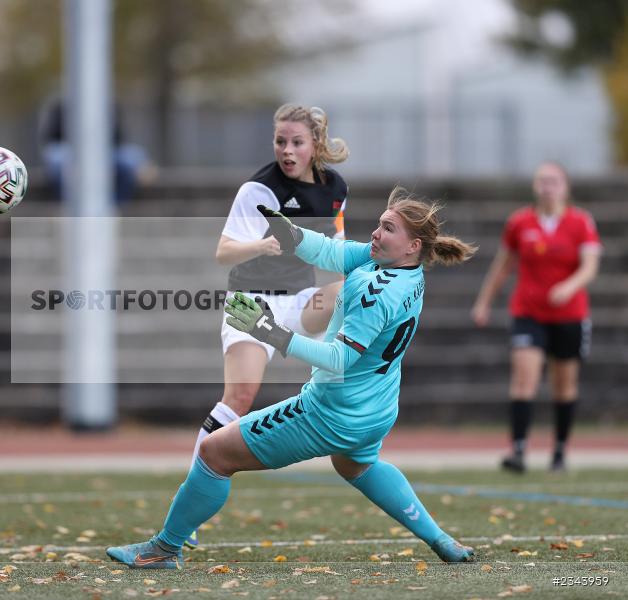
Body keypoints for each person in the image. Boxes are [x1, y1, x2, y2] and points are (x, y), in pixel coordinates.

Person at [106, 187, 478, 569]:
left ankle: (163, 550)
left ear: (412, 245)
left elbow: (338, 360)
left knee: (214, 453)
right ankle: (441, 539)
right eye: (380, 225)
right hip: (376, 408)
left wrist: (272, 332)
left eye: (387, 228)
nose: (375, 234)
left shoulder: (375, 291)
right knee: (356, 465)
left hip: (332, 412)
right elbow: (333, 253)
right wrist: (294, 236)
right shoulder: (403, 271)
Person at [186, 104, 348, 548]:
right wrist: (260, 245)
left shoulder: (335, 188)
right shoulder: (258, 189)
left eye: (296, 142)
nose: (287, 150)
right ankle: (192, 493)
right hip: (251, 302)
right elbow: (223, 252)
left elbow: (334, 245)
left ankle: (349, 418)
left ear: (315, 144)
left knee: (347, 290)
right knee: (240, 397)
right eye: (280, 141)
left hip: (298, 300)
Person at [471, 162, 601, 473]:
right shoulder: (520, 222)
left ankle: (559, 451)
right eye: (542, 181)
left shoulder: (580, 222)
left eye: (554, 181)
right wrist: (484, 302)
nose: (547, 186)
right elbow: (504, 265)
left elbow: (590, 266)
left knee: (564, 385)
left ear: (565, 187)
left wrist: (568, 287)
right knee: (523, 379)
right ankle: (517, 451)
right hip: (528, 312)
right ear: (535, 186)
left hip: (570, 315)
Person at [39, 95, 148, 205]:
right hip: (70, 151)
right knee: (57, 158)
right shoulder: (62, 106)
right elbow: (52, 136)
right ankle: (69, 204)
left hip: (105, 151)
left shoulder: (108, 105)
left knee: (130, 157)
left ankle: (114, 206)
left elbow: (118, 136)